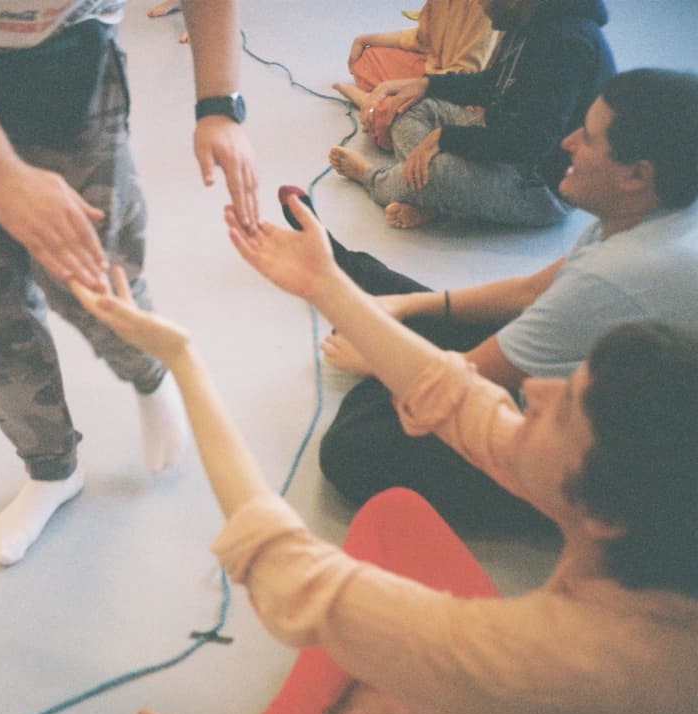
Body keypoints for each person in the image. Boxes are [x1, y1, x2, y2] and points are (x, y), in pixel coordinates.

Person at [70, 200, 698, 714]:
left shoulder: (557, 662)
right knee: (395, 518)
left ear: (608, 513)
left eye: (564, 411)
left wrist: (184, 361)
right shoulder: (655, 527)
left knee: (383, 699)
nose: (535, 389)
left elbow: (292, 573)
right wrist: (327, 284)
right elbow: (462, 400)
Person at [0, 0, 258, 566]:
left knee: (97, 274)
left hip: (65, 62)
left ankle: (148, 371)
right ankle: (50, 468)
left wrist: (219, 104)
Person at [294, 67, 698, 530]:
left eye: (586, 137)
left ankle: (360, 318)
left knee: (351, 450)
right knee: (420, 310)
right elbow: (529, 292)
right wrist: (406, 308)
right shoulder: (655, 209)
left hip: (590, 477)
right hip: (574, 380)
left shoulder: (615, 278)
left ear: (636, 174)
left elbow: (466, 378)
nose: (566, 142)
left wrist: (376, 357)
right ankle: (337, 263)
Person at [329, 0, 614, 229]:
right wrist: (426, 84)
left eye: (485, 6)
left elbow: (530, 143)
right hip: (502, 136)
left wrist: (444, 138)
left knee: (437, 172)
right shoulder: (531, 17)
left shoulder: (568, 43)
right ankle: (431, 196)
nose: (484, 14)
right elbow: (494, 83)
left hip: (539, 184)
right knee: (410, 106)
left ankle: (375, 179)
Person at [332, 0, 499, 150]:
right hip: (433, 69)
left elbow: (466, 76)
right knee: (367, 58)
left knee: (393, 117)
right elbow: (423, 38)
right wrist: (364, 39)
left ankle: (371, 105)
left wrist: (392, 86)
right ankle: (376, 105)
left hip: (461, 93)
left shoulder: (485, 6)